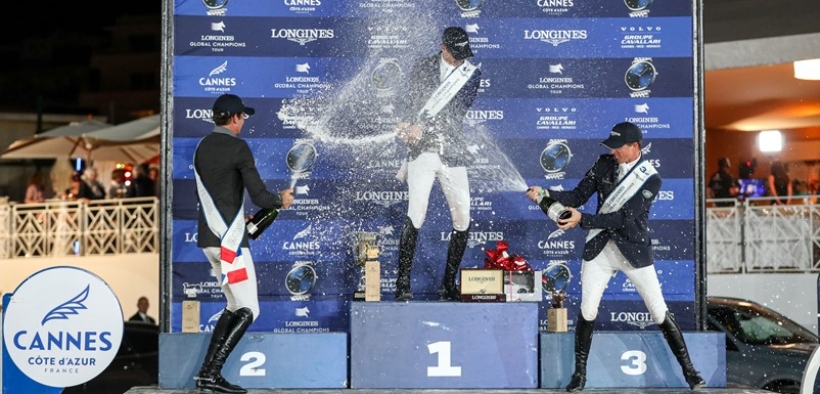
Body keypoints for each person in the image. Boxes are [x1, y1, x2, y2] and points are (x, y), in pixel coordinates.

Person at [525, 121, 705, 391]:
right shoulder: (603, 164)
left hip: (633, 249)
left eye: (617, 148)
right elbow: (577, 194)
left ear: (634, 147)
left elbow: (623, 217)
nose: (613, 152)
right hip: (600, 248)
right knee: (587, 310)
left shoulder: (651, 179)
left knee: (658, 311)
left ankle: (690, 372)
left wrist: (582, 220)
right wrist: (546, 194)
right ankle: (580, 375)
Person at [192, 93, 294, 394]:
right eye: (243, 117)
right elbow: (262, 196)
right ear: (234, 118)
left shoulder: (202, 147)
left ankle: (206, 375)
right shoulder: (238, 148)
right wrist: (281, 201)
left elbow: (221, 194)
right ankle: (211, 373)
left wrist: (244, 218)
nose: (244, 122)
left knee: (234, 304)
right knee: (249, 308)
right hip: (230, 245)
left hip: (210, 241)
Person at [392, 26, 482, 301]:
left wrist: (425, 127)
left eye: (464, 54)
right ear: (444, 48)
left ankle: (448, 284)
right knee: (416, 213)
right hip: (423, 152)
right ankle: (403, 283)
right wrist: (407, 124)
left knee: (463, 217)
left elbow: (455, 115)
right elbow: (409, 102)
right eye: (456, 54)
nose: (461, 59)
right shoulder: (423, 67)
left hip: (451, 151)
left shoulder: (472, 75)